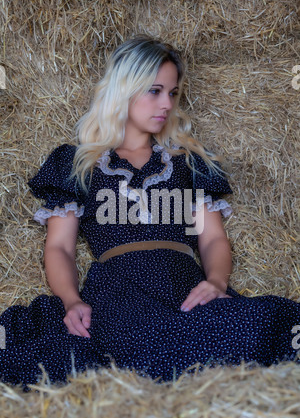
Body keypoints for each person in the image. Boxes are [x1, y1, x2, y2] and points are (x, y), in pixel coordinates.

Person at [0, 35, 299, 390]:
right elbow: (59, 248)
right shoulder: (79, 163)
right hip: (120, 289)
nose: (166, 104)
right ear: (124, 90)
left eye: (172, 94)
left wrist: (217, 282)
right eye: (154, 91)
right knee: (131, 338)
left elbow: (213, 237)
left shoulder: (191, 162)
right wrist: (71, 300)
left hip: (183, 285)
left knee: (259, 325)